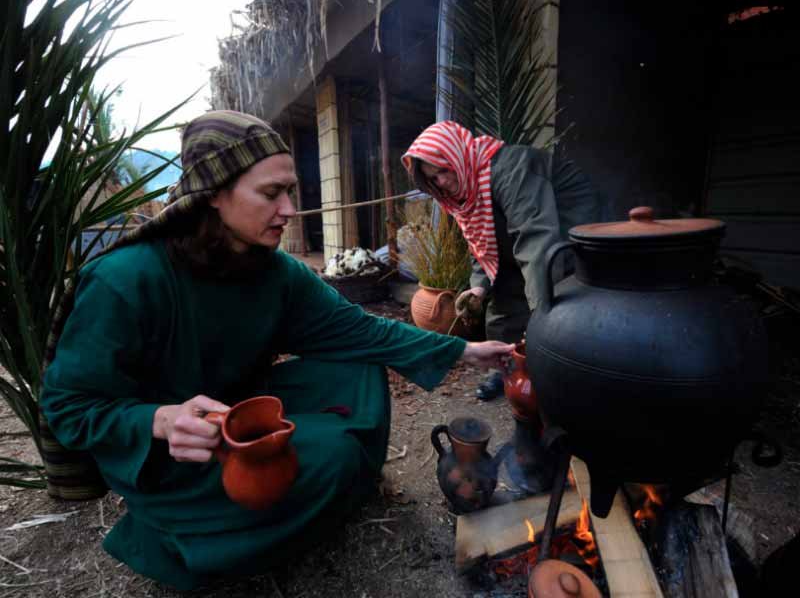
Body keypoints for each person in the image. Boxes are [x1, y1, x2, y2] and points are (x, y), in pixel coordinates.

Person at [39, 111, 513, 590]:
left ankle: (324, 487)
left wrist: (463, 350)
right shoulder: (126, 280)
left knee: (360, 370)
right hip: (179, 458)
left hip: (246, 406)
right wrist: (159, 420)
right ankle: (191, 539)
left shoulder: (274, 271)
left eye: (288, 191)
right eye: (271, 194)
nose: (288, 209)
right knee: (334, 455)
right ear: (213, 195)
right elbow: (69, 406)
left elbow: (359, 330)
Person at [402, 121, 601, 401]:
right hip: (526, 238)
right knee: (503, 295)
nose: (442, 182)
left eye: (444, 170)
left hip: (571, 230)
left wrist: (543, 316)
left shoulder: (510, 170)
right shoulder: (466, 193)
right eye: (433, 179)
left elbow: (536, 240)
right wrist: (478, 288)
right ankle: (507, 367)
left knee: (558, 303)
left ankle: (556, 369)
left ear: (458, 156)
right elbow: (481, 245)